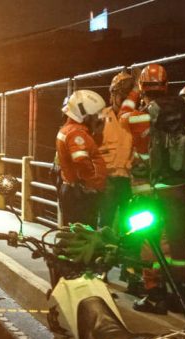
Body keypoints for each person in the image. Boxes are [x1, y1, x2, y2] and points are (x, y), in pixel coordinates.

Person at [122, 64, 185, 314]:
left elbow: (123, 116)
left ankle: (155, 295)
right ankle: (180, 294)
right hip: (178, 188)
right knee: (178, 242)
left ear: (143, 88)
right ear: (166, 86)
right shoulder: (183, 113)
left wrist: (133, 92)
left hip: (150, 190)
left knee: (150, 239)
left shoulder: (141, 116)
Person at [56, 89, 108, 226]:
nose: (98, 118)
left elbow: (88, 151)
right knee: (83, 232)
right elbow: (81, 161)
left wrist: (97, 133)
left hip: (75, 191)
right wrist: (92, 185)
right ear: (84, 114)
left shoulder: (71, 130)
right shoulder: (76, 134)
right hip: (80, 194)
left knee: (75, 231)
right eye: (95, 115)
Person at [97, 71, 136, 229]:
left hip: (130, 180)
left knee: (130, 223)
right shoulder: (100, 117)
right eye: (122, 95)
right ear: (113, 94)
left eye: (128, 95)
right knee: (105, 221)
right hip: (108, 180)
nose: (125, 99)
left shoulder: (136, 117)